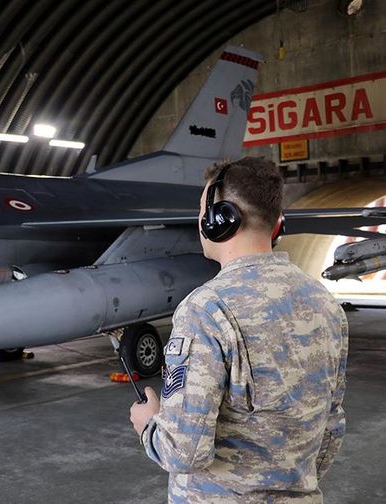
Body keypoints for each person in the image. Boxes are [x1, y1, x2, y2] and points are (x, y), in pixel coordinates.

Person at [129, 156, 348, 503]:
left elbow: (183, 452)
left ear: (222, 219)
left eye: (202, 211)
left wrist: (149, 424)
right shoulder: (325, 303)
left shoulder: (206, 309)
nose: (200, 221)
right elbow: (331, 428)